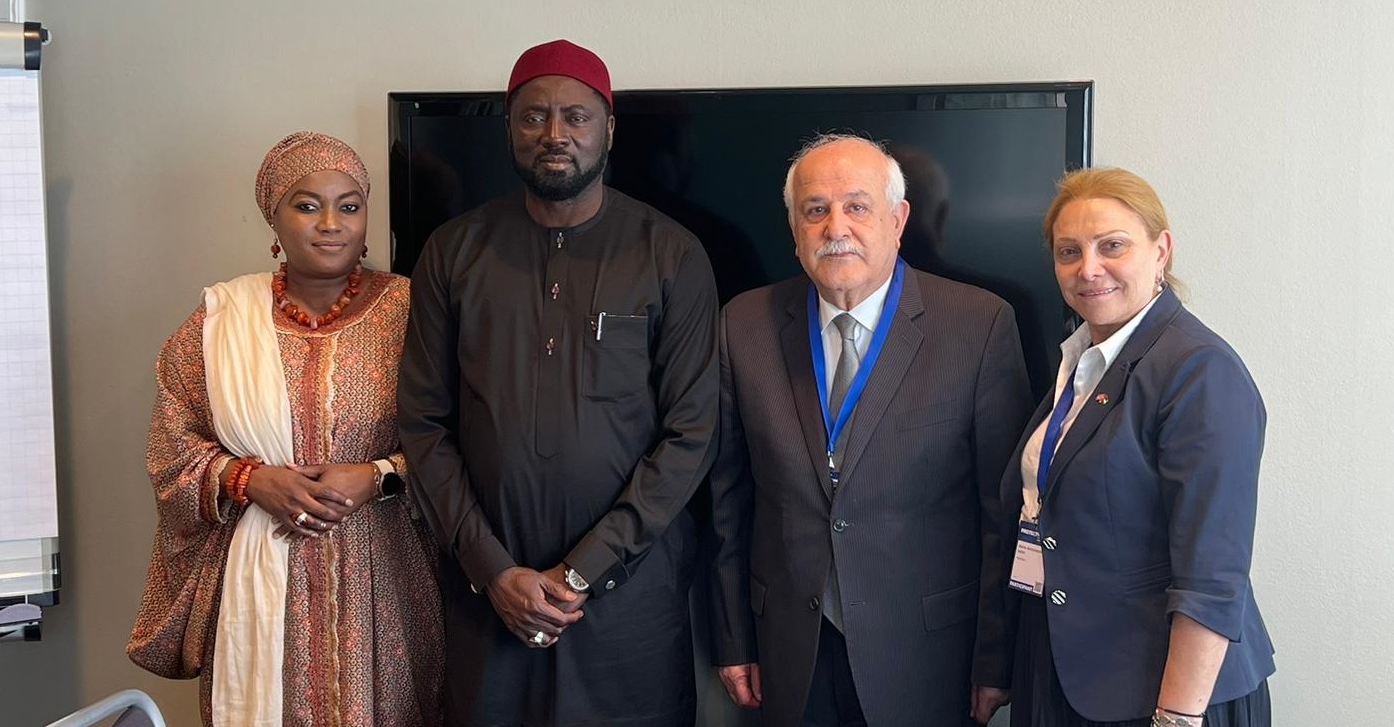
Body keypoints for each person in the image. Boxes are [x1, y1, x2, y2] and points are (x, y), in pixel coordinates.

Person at [397, 39, 719, 727]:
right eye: (533, 116)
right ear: (509, 128)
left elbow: (692, 433)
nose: (554, 134)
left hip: (627, 601)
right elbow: (423, 422)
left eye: (576, 116)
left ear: (609, 129)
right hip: (490, 600)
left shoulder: (670, 253)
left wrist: (583, 571)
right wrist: (492, 570)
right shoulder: (453, 252)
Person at [707, 134, 1034, 727]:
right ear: (794, 229)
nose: (836, 227)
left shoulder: (979, 324)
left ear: (898, 219)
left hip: (929, 654)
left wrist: (997, 656)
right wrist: (733, 637)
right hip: (790, 649)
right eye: (815, 210)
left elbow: (1003, 510)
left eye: (857, 206)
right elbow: (729, 499)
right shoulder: (743, 325)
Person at [127, 131, 444, 727]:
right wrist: (250, 480)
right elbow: (172, 449)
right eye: (307, 205)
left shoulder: (414, 311)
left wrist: (379, 476)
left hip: (387, 580)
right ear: (274, 219)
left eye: (349, 206)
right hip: (256, 575)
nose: (331, 224)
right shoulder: (220, 322)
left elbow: (461, 437)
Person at [1001, 167, 1274, 727]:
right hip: (1071, 670)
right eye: (1069, 251)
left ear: (1161, 251)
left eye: (1112, 246)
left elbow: (1211, 577)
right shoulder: (1082, 362)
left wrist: (1175, 718)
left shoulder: (1199, 371)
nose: (1088, 268)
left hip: (1164, 694)